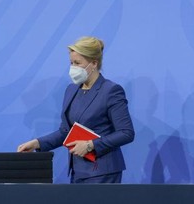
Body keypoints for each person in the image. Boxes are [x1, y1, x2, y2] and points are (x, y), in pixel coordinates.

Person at [18, 36, 135, 183]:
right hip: (77, 172)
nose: (73, 68)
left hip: (103, 173)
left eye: (78, 63)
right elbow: (66, 132)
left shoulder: (111, 91)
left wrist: (90, 145)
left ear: (93, 63)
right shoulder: (71, 90)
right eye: (71, 63)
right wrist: (37, 143)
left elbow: (126, 133)